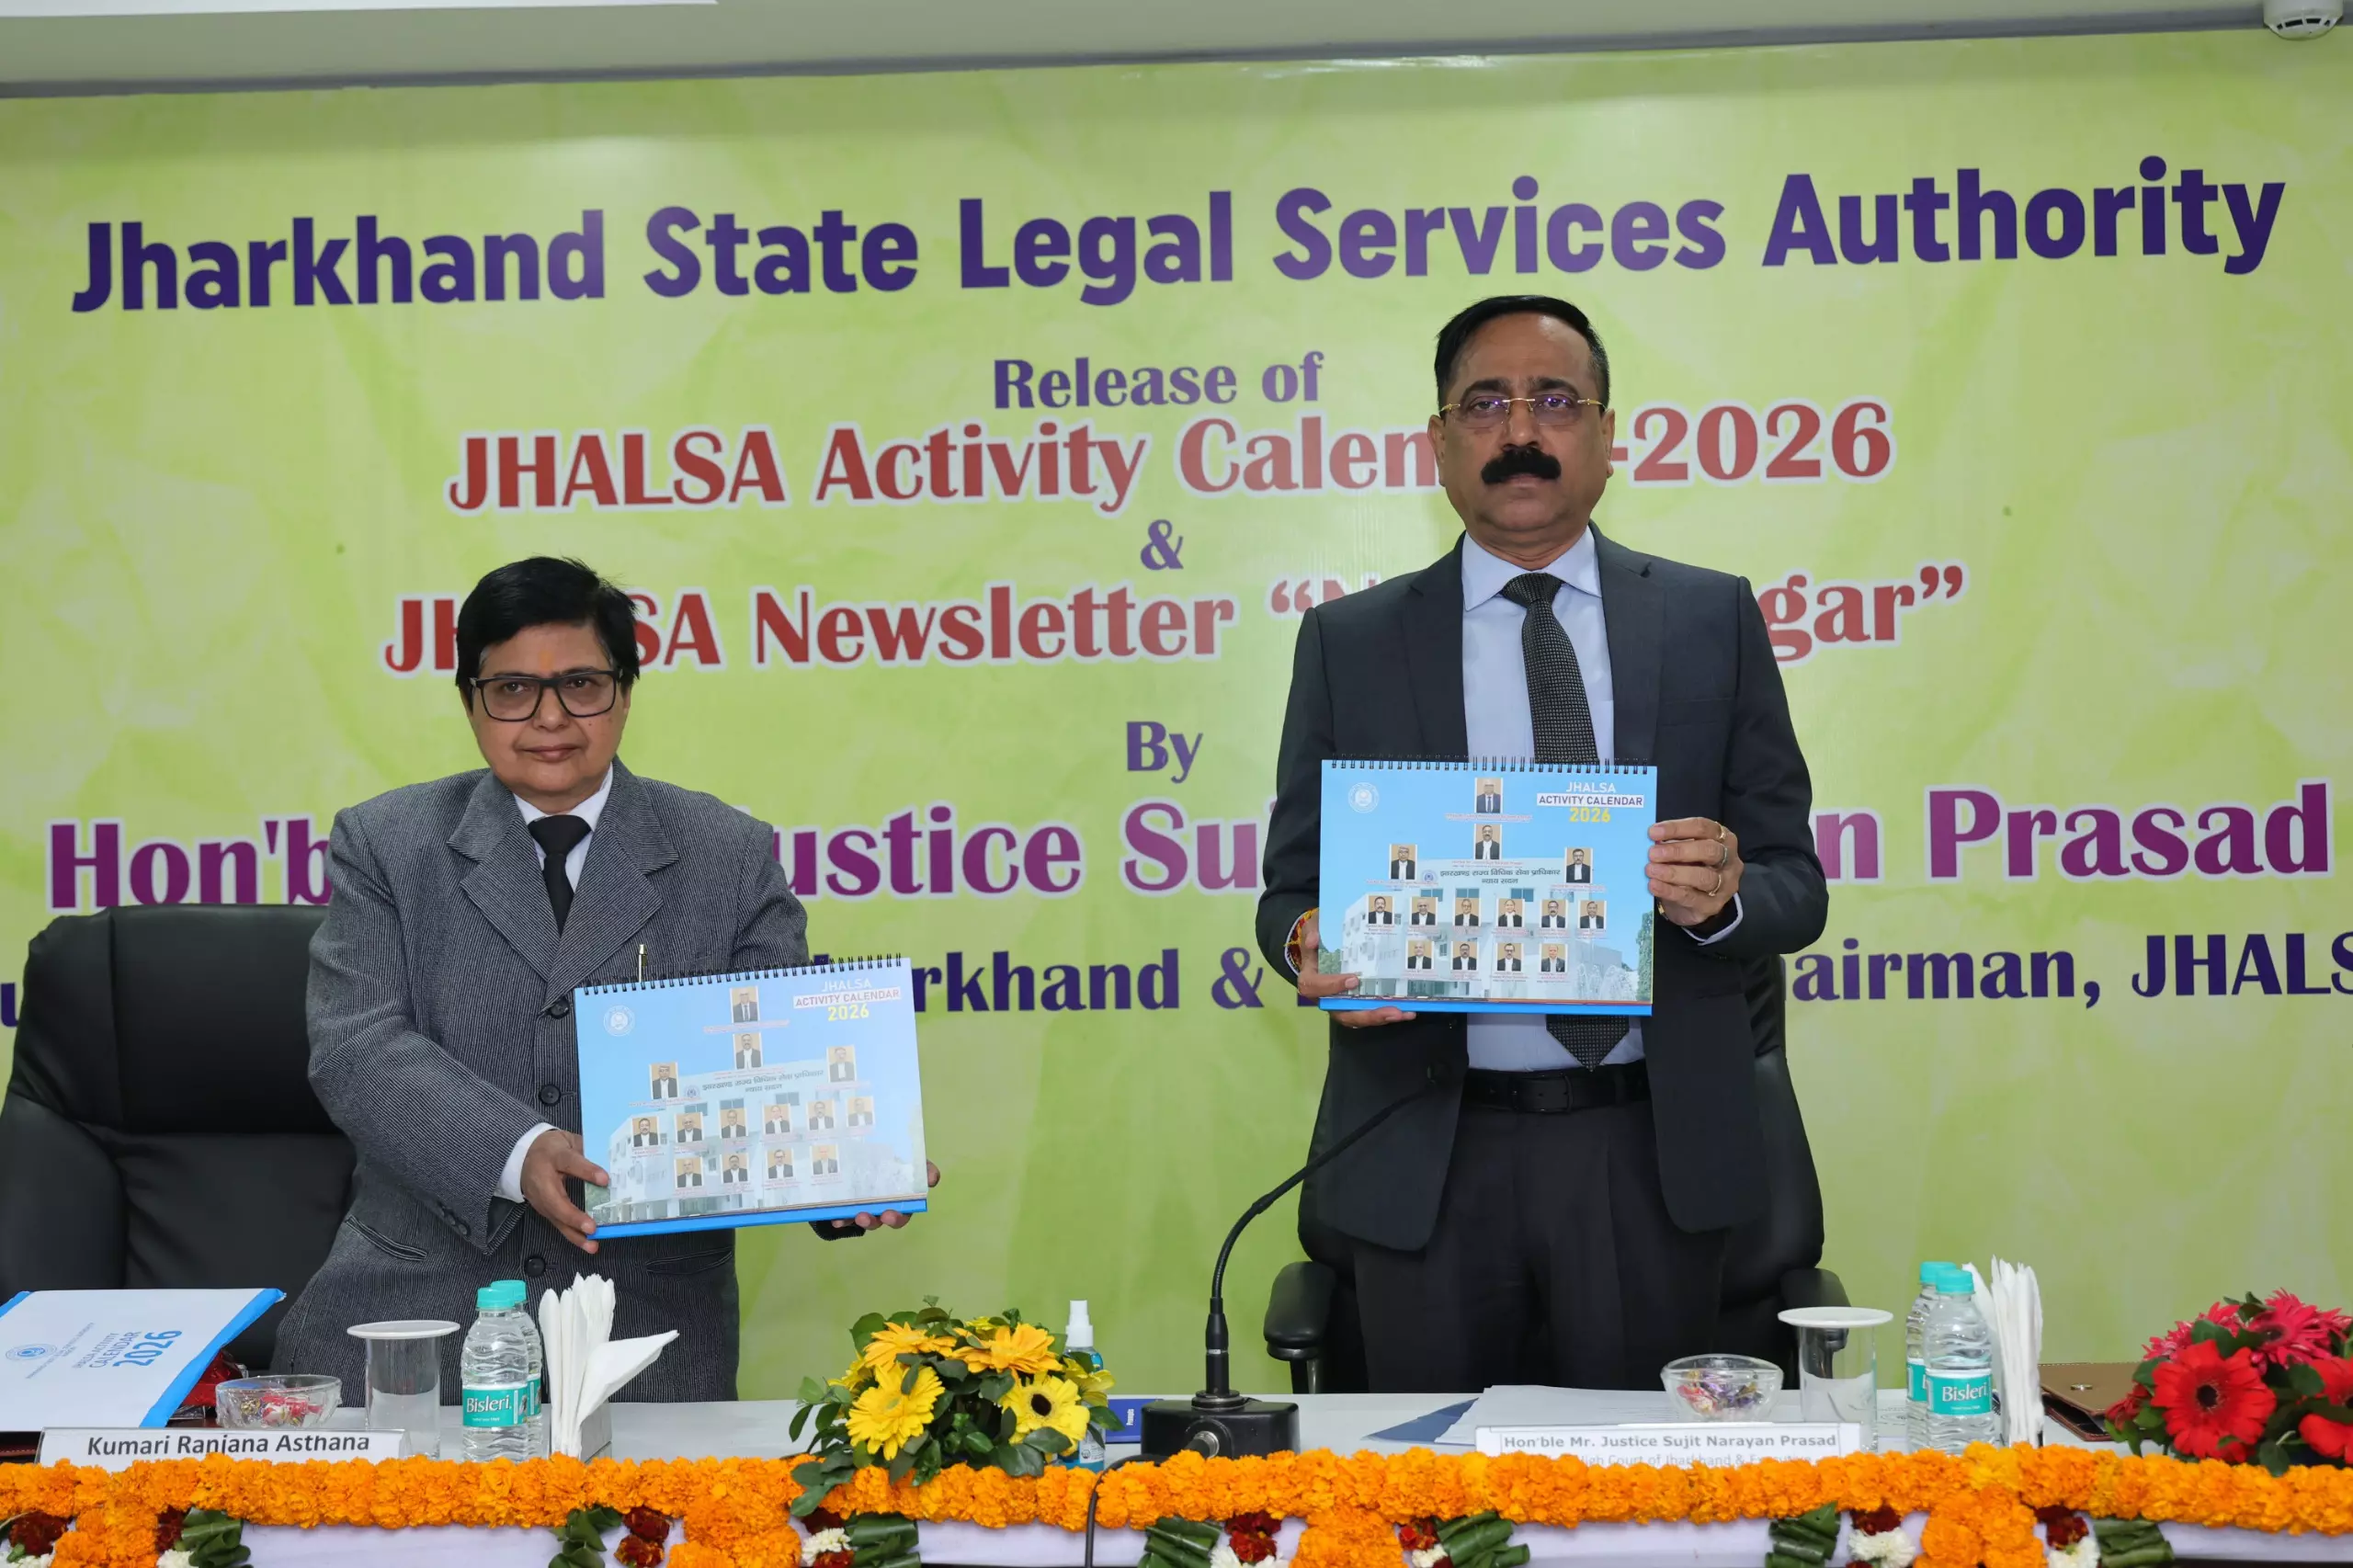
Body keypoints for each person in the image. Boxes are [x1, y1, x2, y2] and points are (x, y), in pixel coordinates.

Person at [1256, 296, 1827, 1392]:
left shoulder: (1710, 620)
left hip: (1646, 1151)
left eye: (1555, 400)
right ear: (1438, 441)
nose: (1520, 429)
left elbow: (1794, 886)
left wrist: (1723, 895)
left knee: (1641, 1487)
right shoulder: (1351, 641)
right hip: (1428, 1151)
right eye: (1485, 403)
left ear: (1607, 434)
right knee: (1428, 1482)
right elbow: (1290, 890)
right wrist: (1308, 941)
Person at [274, 556, 937, 1403]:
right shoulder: (387, 844)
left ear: (625, 693)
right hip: (416, 1326)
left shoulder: (726, 854)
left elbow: (776, 1054)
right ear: (470, 700)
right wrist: (519, 1153)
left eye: (581, 685)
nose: (550, 718)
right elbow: (357, 1048)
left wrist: (843, 1171)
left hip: (647, 1337)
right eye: (512, 689)